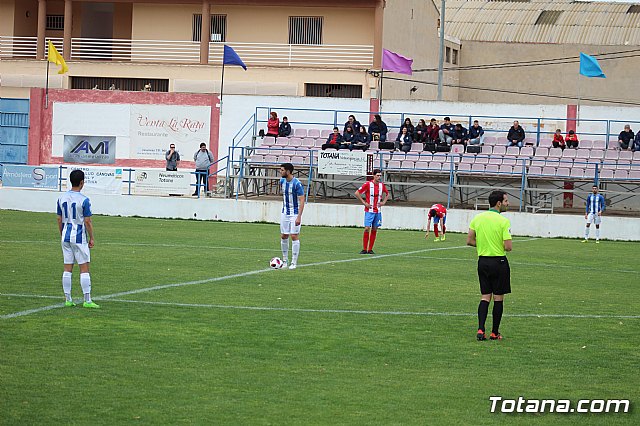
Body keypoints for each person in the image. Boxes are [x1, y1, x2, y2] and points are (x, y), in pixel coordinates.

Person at [467, 190, 512, 341]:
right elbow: (508, 246)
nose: (507, 203)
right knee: (498, 298)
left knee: (485, 296)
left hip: (483, 262)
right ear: (499, 203)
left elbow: (470, 241)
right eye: (506, 201)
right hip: (499, 262)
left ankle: (480, 329)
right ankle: (494, 332)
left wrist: (483, 245)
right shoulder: (503, 221)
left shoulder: (478, 218)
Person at [56, 169, 100, 309]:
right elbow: (87, 221)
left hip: (65, 236)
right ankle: (87, 300)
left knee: (67, 268)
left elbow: (59, 219)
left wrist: (62, 233)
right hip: (79, 237)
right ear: (82, 182)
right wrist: (92, 237)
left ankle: (68, 299)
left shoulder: (61, 198)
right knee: (84, 268)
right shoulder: (84, 200)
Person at [354, 169, 389, 254]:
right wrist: (364, 203)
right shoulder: (368, 184)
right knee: (366, 228)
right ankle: (364, 248)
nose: (379, 177)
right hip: (369, 210)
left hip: (378, 211)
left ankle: (370, 249)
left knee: (375, 228)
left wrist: (383, 202)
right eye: (377, 175)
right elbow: (357, 193)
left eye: (380, 175)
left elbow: (387, 194)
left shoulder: (381, 185)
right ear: (373, 176)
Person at [279, 163, 305, 270]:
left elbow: (302, 200)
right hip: (285, 212)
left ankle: (294, 262)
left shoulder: (297, 184)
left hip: (294, 213)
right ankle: (285, 260)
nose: (280, 172)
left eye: (282, 170)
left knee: (294, 236)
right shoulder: (282, 181)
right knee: (284, 235)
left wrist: (299, 216)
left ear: (288, 171)